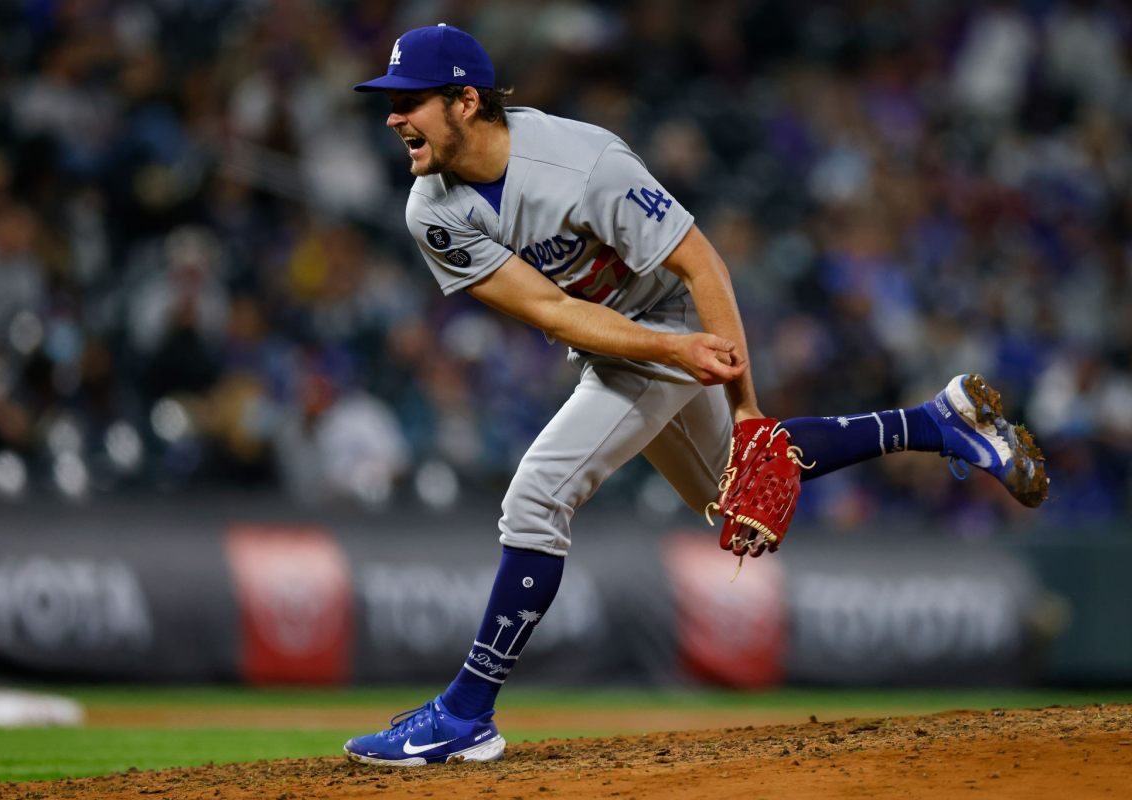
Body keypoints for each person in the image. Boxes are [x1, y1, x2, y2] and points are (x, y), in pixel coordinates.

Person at [344, 25, 1048, 766]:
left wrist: (747, 410)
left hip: (674, 311)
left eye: (409, 100)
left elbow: (702, 264)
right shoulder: (432, 209)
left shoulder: (583, 164)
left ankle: (464, 713)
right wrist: (673, 361)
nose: (393, 117)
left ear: (465, 101)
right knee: (728, 487)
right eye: (390, 101)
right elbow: (552, 311)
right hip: (632, 338)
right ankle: (940, 422)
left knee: (537, 496)